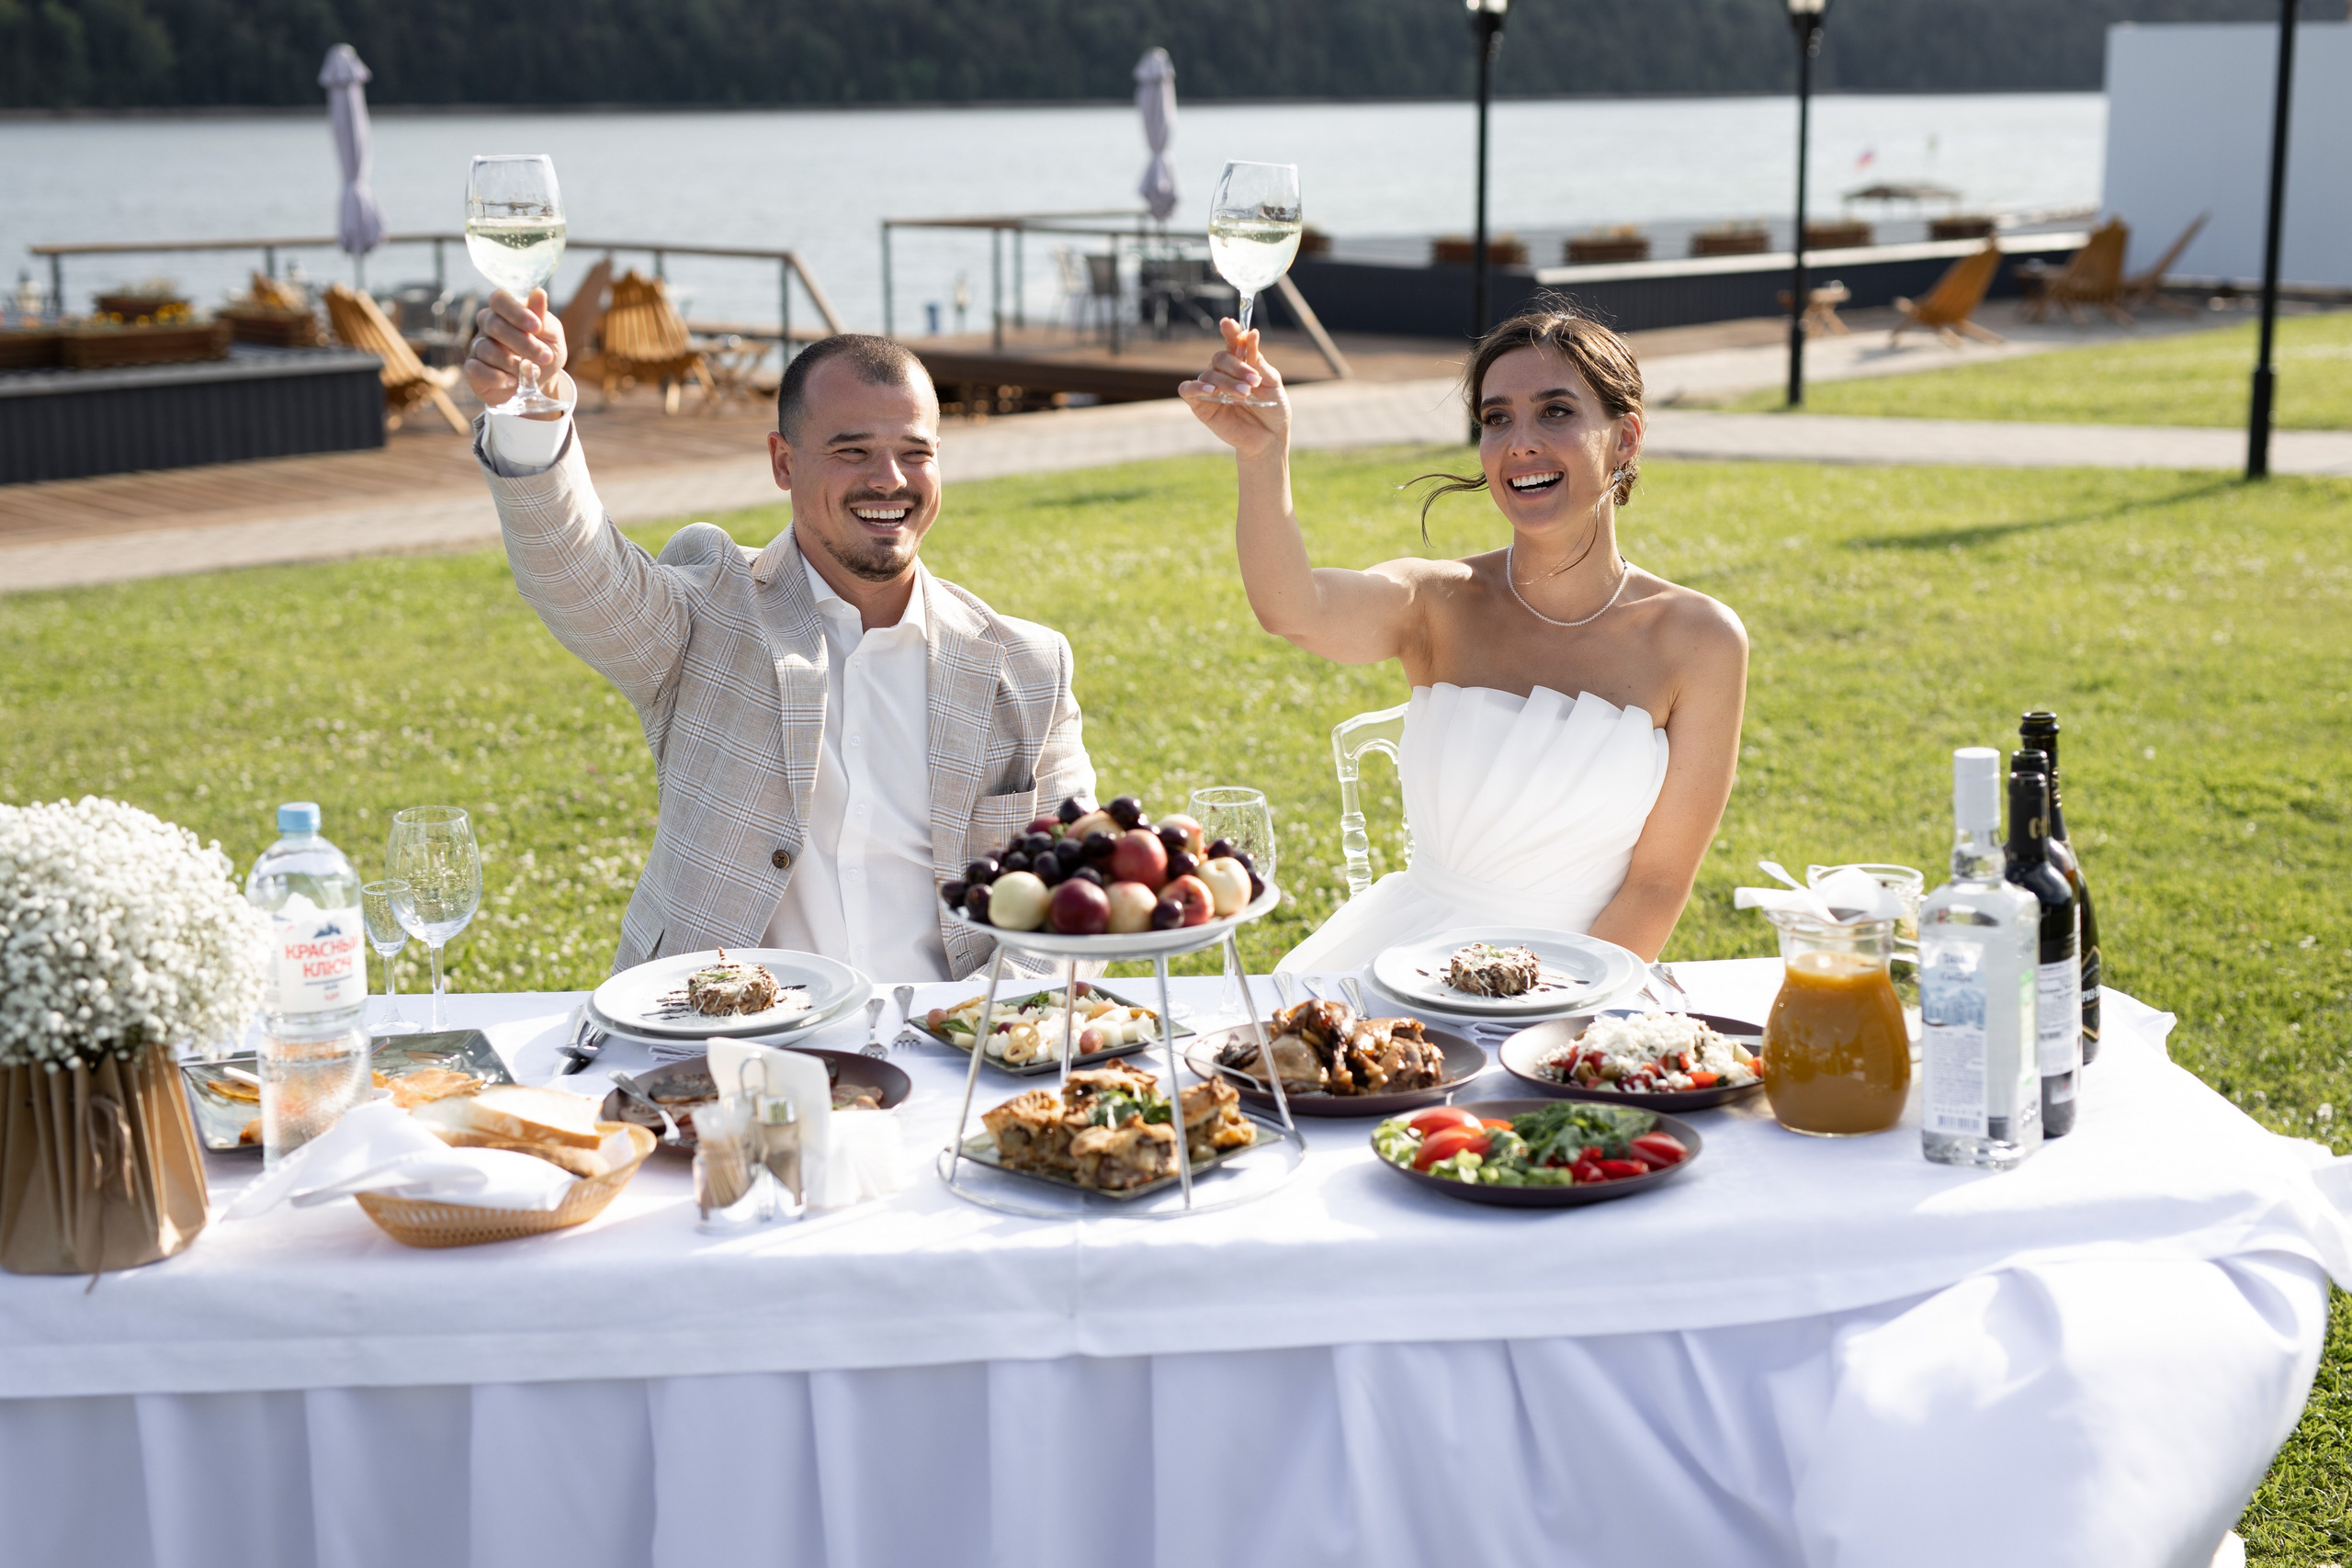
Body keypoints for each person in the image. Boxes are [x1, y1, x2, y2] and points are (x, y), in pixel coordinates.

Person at [464, 287, 1092, 982]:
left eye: (914, 452)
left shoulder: (1028, 667)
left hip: (947, 1053)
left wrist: (962, 1033)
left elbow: (1068, 904)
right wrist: (531, 412)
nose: (890, 480)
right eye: (852, 451)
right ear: (784, 462)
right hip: (725, 1048)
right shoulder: (708, 614)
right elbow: (576, 574)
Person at [1180, 302, 1746, 970]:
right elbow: (1293, 607)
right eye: (1497, 418)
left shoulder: (1701, 640)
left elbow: (1657, 886)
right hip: (1403, 968)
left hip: (1583, 983)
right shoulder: (1437, 599)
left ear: (1625, 438)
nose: (1520, 442)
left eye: (1556, 411)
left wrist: (1554, 1022)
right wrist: (1262, 452)